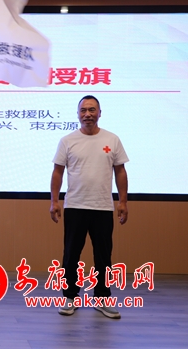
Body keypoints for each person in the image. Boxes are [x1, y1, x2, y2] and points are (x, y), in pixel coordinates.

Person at [50, 95, 129, 319]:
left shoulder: (112, 139)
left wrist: (123, 202)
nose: (87, 114)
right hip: (75, 206)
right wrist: (54, 201)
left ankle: (102, 299)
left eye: (92, 110)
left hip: (102, 207)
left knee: (103, 256)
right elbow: (57, 172)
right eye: (83, 110)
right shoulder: (68, 141)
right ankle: (69, 297)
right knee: (71, 255)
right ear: (78, 114)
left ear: (99, 113)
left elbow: (120, 171)